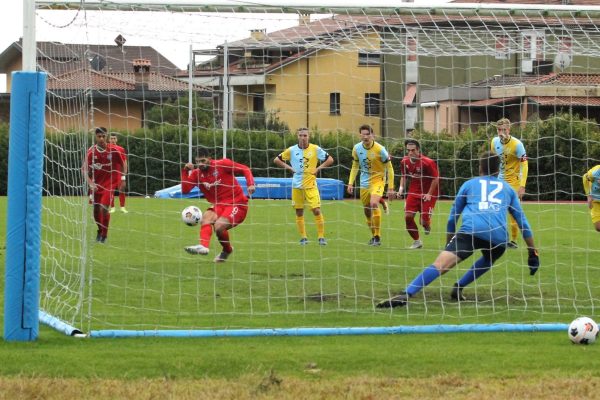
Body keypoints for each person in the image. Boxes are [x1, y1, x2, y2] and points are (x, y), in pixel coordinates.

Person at [376, 151, 540, 308]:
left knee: (440, 265)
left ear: (479, 168)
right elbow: (522, 223)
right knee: (489, 258)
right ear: (499, 171)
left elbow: (452, 218)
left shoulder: (469, 184)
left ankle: (407, 293)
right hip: (498, 237)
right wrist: (533, 252)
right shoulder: (508, 189)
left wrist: (449, 243)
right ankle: (459, 286)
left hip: (470, 231)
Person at [181, 148, 256, 262]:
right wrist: (185, 171)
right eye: (198, 162)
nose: (200, 164)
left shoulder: (222, 164)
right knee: (206, 217)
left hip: (237, 203)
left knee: (219, 227)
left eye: (203, 161)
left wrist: (250, 184)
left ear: (209, 159)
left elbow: (245, 169)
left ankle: (227, 250)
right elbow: (185, 190)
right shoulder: (197, 174)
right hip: (219, 204)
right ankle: (203, 246)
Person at [273, 127, 334, 245]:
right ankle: (303, 237)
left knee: (316, 210)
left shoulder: (315, 149)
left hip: (311, 184)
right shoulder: (291, 150)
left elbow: (330, 159)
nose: (302, 138)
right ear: (297, 136)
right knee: (299, 212)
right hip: (296, 185)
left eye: (305, 135)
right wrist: (290, 168)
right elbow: (277, 160)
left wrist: (318, 168)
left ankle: (321, 237)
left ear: (308, 136)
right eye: (300, 135)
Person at [347, 124, 395, 246]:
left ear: (372, 135)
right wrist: (350, 183)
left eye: (368, 134)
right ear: (360, 135)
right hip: (364, 182)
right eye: (363, 134)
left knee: (373, 204)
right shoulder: (356, 148)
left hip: (378, 179)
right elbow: (355, 165)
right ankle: (373, 235)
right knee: (367, 210)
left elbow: (389, 167)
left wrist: (390, 187)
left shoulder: (380, 149)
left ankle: (377, 237)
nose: (365, 136)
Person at [82, 127, 127, 243]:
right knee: (96, 211)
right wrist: (90, 183)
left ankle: (104, 236)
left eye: (103, 136)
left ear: (106, 136)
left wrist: (123, 179)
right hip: (97, 185)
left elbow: (123, 165)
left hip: (109, 184)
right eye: (99, 136)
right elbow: (84, 170)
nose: (102, 139)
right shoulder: (91, 152)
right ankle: (100, 230)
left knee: (104, 208)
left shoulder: (114, 151)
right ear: (96, 137)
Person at [491, 118, 529, 249]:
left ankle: (513, 240)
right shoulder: (494, 142)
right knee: (495, 209)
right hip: (499, 182)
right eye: (499, 130)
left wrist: (522, 185)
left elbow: (525, 165)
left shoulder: (517, 144)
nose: (501, 132)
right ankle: (497, 238)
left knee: (513, 212)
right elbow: (493, 161)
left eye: (504, 130)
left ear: (509, 130)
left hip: (514, 182)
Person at [397, 139, 440, 249]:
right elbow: (404, 175)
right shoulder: (404, 162)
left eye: (413, 150)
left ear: (418, 150)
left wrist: (429, 194)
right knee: (408, 217)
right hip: (413, 192)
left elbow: (436, 178)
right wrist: (401, 189)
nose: (411, 153)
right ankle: (417, 241)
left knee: (423, 221)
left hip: (428, 193)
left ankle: (427, 225)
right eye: (408, 150)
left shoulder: (428, 162)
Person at [108, 133, 129, 214]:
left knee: (122, 189)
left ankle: (122, 207)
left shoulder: (121, 149)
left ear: (116, 139)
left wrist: (125, 172)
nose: (113, 140)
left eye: (114, 138)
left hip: (119, 173)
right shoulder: (106, 148)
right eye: (111, 138)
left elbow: (124, 161)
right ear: (109, 139)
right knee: (110, 190)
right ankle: (112, 207)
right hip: (109, 173)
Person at [582, 165, 600, 232]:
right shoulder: (595, 172)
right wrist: (589, 196)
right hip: (595, 200)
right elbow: (585, 177)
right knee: (598, 227)